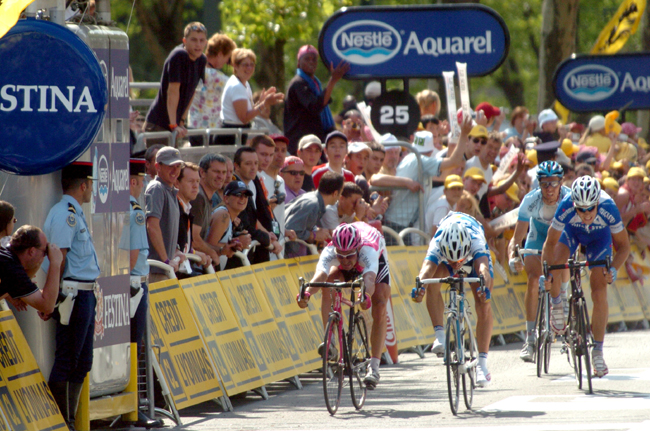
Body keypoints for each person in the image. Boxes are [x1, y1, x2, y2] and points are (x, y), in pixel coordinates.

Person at [541, 176, 630, 377]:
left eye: (591, 208)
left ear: (598, 202)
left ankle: (597, 350)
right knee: (556, 263)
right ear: (574, 205)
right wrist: (547, 273)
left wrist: (614, 269)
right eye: (581, 209)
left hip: (599, 239)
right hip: (572, 234)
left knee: (599, 292)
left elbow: (624, 247)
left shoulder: (609, 207)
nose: (587, 213)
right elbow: (549, 243)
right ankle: (557, 303)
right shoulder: (566, 206)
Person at [297, 222, 391, 389]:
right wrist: (306, 294)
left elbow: (369, 279)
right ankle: (331, 340)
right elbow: (319, 275)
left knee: (380, 303)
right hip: (352, 257)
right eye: (340, 256)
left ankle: (374, 367)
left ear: (357, 249)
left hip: (374, 261)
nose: (345, 261)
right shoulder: (329, 250)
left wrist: (364, 295)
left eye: (349, 256)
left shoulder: (368, 249)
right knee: (329, 282)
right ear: (335, 250)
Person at [43, 161, 100, 431]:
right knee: (67, 359)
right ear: (84, 185)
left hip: (84, 293)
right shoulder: (66, 213)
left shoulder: (73, 211)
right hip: (73, 294)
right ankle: (63, 423)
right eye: (90, 185)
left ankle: (72, 420)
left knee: (83, 361)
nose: (91, 190)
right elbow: (59, 259)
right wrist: (51, 298)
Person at [413, 212, 495, 387]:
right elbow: (425, 271)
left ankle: (482, 364)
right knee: (432, 283)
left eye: (458, 260)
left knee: (483, 302)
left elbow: (483, 269)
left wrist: (484, 287)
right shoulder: (437, 243)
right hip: (447, 249)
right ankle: (440, 336)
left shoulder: (475, 241)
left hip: (472, 258)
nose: (456, 264)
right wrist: (420, 288)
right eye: (452, 260)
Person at [507, 161, 571, 362]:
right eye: (545, 184)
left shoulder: (569, 198)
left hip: (560, 237)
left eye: (553, 183)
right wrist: (513, 256)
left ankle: (562, 296)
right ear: (539, 184)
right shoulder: (530, 201)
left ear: (561, 182)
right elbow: (517, 239)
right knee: (534, 279)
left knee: (561, 265)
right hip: (537, 237)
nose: (549, 189)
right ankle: (530, 338)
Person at [373, 116, 472, 243]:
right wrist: (464, 134)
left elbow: (443, 175)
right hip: (398, 226)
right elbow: (455, 161)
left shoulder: (410, 158)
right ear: (431, 150)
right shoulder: (422, 161)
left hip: (397, 223)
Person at [117, 159, 162, 428]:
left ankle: (131, 406)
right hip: (133, 284)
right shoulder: (134, 210)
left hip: (127, 283)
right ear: (132, 181)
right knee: (134, 345)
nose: (143, 184)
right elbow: (132, 257)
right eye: (141, 180)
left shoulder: (121, 207)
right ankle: (133, 408)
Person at [144, 22, 208, 145]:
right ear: (184, 41)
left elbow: (192, 92)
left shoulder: (201, 59)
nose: (198, 44)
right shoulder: (179, 55)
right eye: (194, 40)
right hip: (159, 124)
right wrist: (173, 124)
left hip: (175, 125)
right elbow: (172, 92)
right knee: (161, 163)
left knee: (174, 164)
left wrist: (182, 121)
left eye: (201, 40)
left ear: (206, 42)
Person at [284, 44, 349, 155]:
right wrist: (332, 81)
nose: (311, 62)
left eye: (314, 59)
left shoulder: (315, 84)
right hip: (301, 144)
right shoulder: (298, 83)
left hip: (315, 142)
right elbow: (315, 106)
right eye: (307, 59)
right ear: (299, 63)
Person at [217, 48, 284, 145]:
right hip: (230, 137)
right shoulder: (237, 86)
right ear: (235, 66)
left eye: (252, 64)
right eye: (245, 65)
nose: (249, 68)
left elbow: (248, 112)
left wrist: (260, 103)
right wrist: (264, 104)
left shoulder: (244, 83)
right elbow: (244, 118)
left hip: (238, 135)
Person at [233, 146, 281, 264]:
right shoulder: (235, 189)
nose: (253, 167)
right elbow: (245, 226)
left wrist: (267, 233)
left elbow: (253, 219)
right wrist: (266, 238)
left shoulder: (250, 184)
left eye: (255, 163)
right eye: (248, 164)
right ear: (237, 166)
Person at [145, 147, 187, 282]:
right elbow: (152, 226)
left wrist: (175, 250)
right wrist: (166, 260)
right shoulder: (157, 188)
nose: (175, 171)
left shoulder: (168, 189)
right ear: (158, 166)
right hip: (156, 270)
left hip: (164, 269)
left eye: (178, 166)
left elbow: (164, 229)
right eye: (170, 166)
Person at [187, 33, 237, 146]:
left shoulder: (194, 71)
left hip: (193, 128)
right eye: (228, 58)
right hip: (211, 131)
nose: (227, 63)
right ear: (220, 54)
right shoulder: (219, 78)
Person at [0, 226, 62, 315]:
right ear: (32, 251)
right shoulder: (11, 268)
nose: (44, 257)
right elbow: (47, 306)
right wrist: (55, 263)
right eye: (44, 253)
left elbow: (19, 279)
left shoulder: (6, 249)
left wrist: (10, 294)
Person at [285, 171, 344, 257]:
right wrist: (314, 235)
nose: (339, 197)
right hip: (284, 256)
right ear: (335, 193)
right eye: (340, 193)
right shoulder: (313, 204)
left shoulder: (312, 199)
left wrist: (316, 233)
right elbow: (290, 229)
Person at [191, 153, 229, 266]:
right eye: (216, 172)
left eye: (224, 172)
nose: (221, 177)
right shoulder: (198, 197)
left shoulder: (206, 197)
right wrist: (213, 252)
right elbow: (194, 240)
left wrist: (220, 251)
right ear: (202, 172)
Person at [207, 181, 252, 271]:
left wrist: (235, 242)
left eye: (246, 195)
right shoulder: (223, 215)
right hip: (205, 271)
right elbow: (209, 247)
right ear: (226, 198)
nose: (243, 198)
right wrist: (239, 242)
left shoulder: (228, 216)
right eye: (238, 194)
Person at [175, 163, 211, 272]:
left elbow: (184, 245)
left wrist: (195, 253)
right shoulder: (174, 208)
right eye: (191, 181)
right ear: (177, 183)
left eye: (197, 181)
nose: (196, 186)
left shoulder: (186, 208)